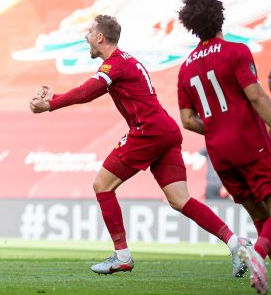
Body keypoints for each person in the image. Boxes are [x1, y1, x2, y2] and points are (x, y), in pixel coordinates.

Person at [29, 14, 249, 278]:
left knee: (102, 185)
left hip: (149, 131)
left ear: (100, 37)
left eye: (88, 33)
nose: (85, 38)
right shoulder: (123, 63)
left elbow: (88, 91)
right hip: (165, 130)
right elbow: (89, 89)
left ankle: (122, 256)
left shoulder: (115, 65)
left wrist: (51, 104)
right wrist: (56, 97)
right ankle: (237, 243)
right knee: (180, 200)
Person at [177, 0, 271, 294]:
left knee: (260, 214)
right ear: (220, 18)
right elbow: (256, 96)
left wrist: (218, 126)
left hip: (220, 154)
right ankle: (258, 254)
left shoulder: (186, 68)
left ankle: (260, 263)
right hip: (250, 143)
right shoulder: (237, 52)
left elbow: (188, 120)